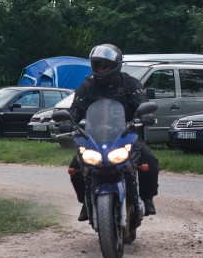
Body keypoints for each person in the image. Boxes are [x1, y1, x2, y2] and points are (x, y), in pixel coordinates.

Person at [59, 44, 160, 221]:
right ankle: (86, 202)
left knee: (149, 161)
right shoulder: (87, 86)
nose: (100, 69)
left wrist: (146, 115)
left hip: (127, 134)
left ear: (115, 65)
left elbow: (142, 100)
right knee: (76, 168)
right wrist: (68, 121)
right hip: (95, 138)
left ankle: (147, 198)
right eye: (97, 65)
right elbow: (76, 108)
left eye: (104, 65)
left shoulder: (130, 83)